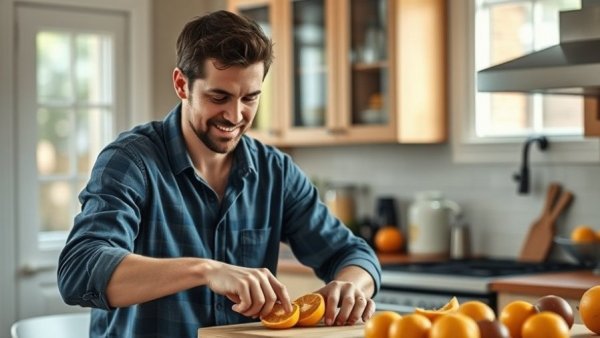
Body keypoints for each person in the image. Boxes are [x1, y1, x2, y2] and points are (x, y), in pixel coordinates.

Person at [57, 10, 381, 338]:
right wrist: (206, 270)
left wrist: (349, 286)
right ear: (182, 85)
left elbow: (353, 254)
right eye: (219, 97)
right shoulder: (131, 161)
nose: (236, 114)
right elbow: (80, 271)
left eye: (250, 98)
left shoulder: (275, 172)